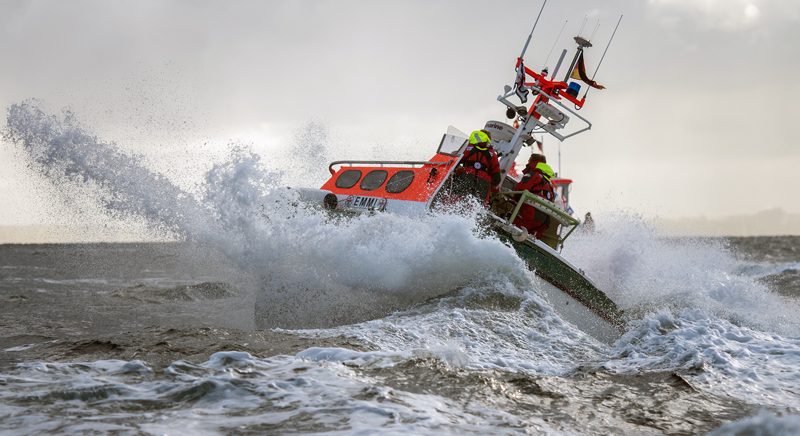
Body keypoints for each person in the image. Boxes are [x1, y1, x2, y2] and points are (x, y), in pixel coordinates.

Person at [512, 153, 556, 240]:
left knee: (511, 228)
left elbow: (519, 193)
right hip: (543, 222)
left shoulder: (533, 175)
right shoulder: (549, 184)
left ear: (532, 162)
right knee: (531, 241)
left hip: (530, 216)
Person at [451, 130, 501, 204]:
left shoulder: (467, 148)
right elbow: (496, 178)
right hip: (483, 183)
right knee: (475, 209)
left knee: (452, 202)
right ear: (489, 139)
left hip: (465, 176)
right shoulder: (493, 156)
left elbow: (454, 158)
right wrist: (495, 191)